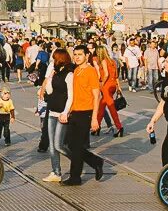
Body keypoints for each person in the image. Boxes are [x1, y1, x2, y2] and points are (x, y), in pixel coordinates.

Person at [60, 45, 104, 186]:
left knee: (77, 145)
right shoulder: (77, 70)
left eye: (80, 54)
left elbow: (97, 96)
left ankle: (75, 177)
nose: (77, 57)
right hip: (75, 111)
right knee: (70, 144)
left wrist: (95, 118)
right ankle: (95, 161)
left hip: (86, 113)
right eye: (75, 54)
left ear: (87, 55)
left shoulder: (91, 71)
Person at [41, 48, 74, 183]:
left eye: (55, 59)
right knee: (52, 145)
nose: (53, 61)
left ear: (61, 59)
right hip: (52, 111)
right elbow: (50, 91)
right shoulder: (56, 73)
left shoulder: (69, 74)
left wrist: (66, 112)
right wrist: (49, 79)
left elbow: (71, 96)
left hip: (62, 113)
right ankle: (56, 172)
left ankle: (77, 159)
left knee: (59, 145)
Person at [94, 46, 123, 137]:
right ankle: (97, 127)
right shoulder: (113, 61)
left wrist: (101, 83)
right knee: (102, 106)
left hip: (106, 86)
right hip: (113, 85)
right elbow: (116, 76)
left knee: (111, 108)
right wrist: (118, 87)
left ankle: (119, 127)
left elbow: (106, 74)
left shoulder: (103, 61)